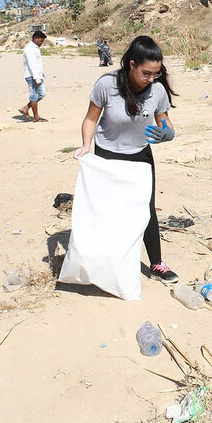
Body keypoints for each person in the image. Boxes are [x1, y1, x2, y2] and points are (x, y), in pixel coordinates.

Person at [72, 36, 180, 283]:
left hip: (140, 155)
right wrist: (86, 145)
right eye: (146, 73)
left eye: (156, 73)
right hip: (108, 155)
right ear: (131, 64)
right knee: (109, 210)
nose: (151, 79)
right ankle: (107, 263)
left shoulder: (158, 90)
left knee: (146, 208)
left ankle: (157, 264)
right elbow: (91, 119)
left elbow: (164, 121)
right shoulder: (106, 85)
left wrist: (168, 133)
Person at [21, 30, 48, 121]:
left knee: (42, 94)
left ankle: (26, 107)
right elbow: (32, 64)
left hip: (38, 75)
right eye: (41, 41)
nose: (42, 43)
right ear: (35, 38)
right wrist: (37, 78)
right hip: (32, 76)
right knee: (34, 95)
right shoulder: (29, 49)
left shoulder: (35, 47)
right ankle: (36, 117)